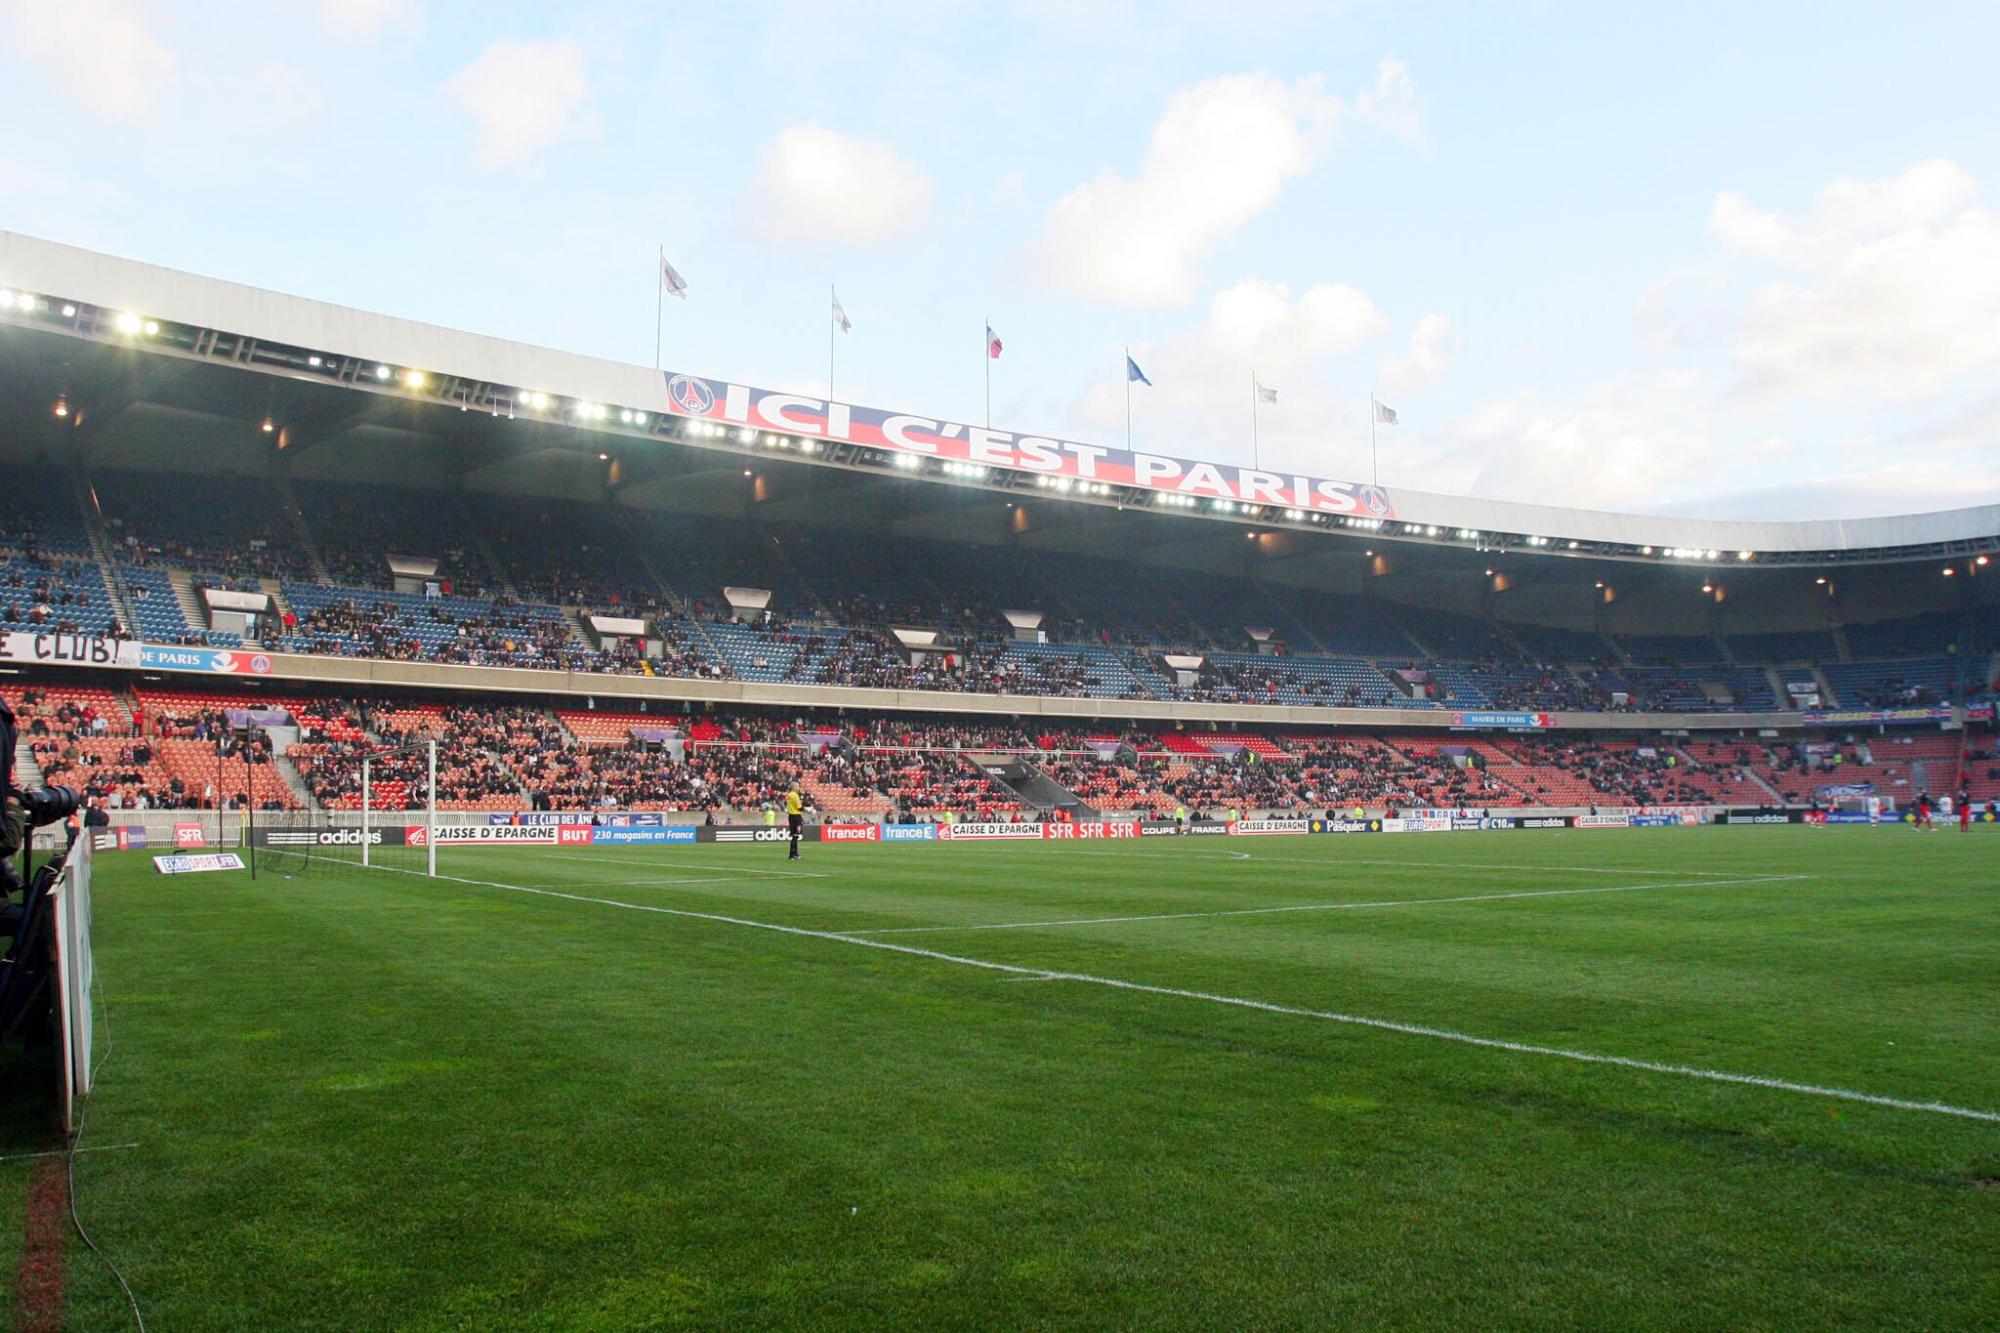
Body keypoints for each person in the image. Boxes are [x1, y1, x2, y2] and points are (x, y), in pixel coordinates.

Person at [784, 785, 806, 860]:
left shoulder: (789, 795)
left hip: (791, 816)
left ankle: (792, 855)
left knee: (794, 836)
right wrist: (805, 807)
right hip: (796, 816)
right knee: (795, 836)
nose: (799, 788)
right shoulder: (795, 795)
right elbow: (800, 808)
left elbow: (786, 804)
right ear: (794, 787)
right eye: (798, 786)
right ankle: (794, 855)